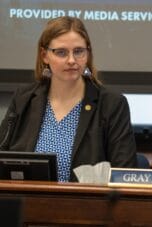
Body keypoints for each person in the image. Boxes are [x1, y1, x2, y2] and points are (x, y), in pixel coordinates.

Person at [0, 16, 137, 182]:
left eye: (78, 51)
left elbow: (124, 174)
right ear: (45, 55)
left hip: (87, 206)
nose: (72, 60)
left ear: (88, 53)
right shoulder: (24, 99)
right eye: (61, 52)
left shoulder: (112, 104)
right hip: (26, 204)